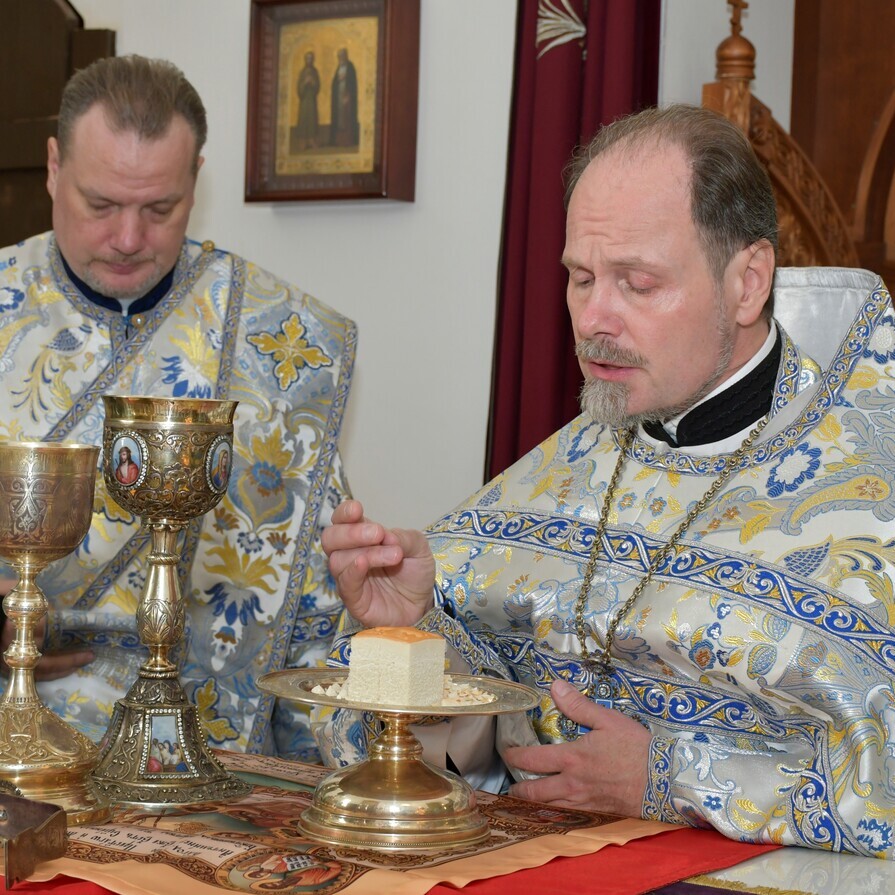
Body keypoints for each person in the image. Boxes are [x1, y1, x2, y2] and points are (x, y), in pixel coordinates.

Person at [319, 104, 895, 858]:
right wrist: (418, 634)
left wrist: (674, 778)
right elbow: (483, 745)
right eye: (581, 277)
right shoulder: (559, 467)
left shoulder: (871, 486)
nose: (593, 318)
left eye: (637, 283)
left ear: (747, 283)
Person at [0, 55, 356, 761]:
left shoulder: (277, 338)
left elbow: (315, 597)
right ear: (53, 167)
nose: (129, 238)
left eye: (159, 209)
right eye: (101, 205)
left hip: (209, 754)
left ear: (195, 178)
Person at [329, 48, 358, 147]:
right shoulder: (338, 67)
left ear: (346, 56)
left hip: (347, 97)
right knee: (339, 119)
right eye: (339, 56)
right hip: (339, 97)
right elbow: (335, 82)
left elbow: (352, 82)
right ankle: (338, 140)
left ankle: (348, 140)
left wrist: (348, 94)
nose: (340, 58)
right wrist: (338, 80)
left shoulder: (350, 67)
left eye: (342, 55)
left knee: (347, 118)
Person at [294, 50, 320, 151]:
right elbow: (298, 89)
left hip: (312, 100)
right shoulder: (302, 72)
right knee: (304, 119)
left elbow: (318, 86)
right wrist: (305, 83)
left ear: (313, 60)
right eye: (308, 58)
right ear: (305, 60)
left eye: (311, 58)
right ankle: (303, 142)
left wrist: (313, 82)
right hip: (304, 100)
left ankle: (312, 141)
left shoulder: (315, 71)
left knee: (312, 119)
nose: (309, 60)